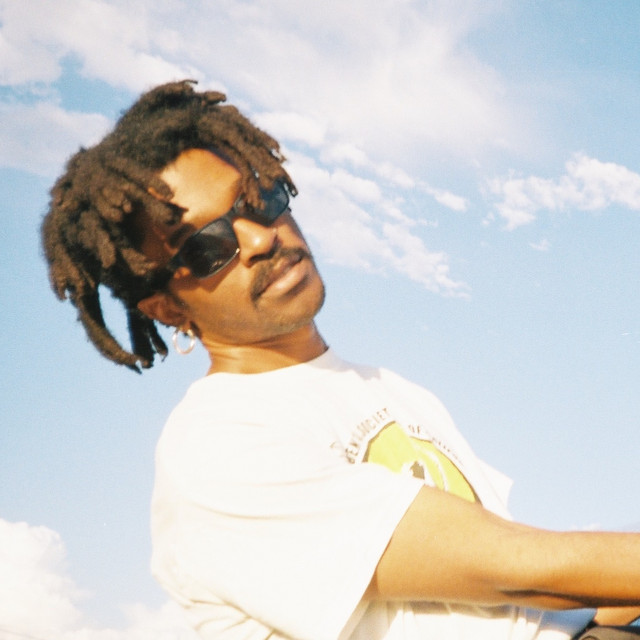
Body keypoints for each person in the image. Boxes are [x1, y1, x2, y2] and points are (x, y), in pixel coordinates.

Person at [41, 80, 640, 640]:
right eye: (207, 247)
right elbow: (521, 571)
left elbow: (522, 609)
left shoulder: (390, 389)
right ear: (168, 309)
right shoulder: (217, 444)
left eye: (259, 200)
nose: (260, 239)